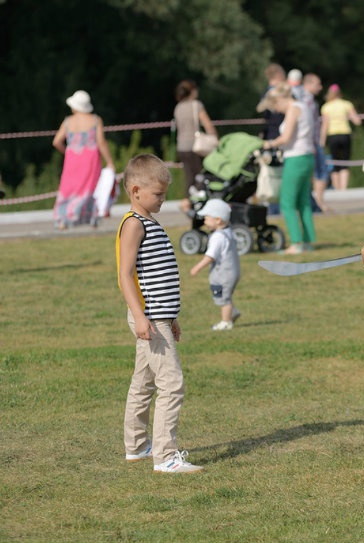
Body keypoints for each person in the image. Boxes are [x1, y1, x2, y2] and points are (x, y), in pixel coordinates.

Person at [116, 154, 203, 473]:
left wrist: (172, 317)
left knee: (144, 382)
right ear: (135, 190)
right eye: (158, 195)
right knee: (172, 383)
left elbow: (158, 277)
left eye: (165, 194)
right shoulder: (134, 225)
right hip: (149, 321)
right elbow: (126, 274)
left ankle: (137, 447)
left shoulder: (151, 222)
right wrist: (141, 317)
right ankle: (165, 457)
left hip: (158, 318)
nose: (163, 200)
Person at [261, 83, 316, 254]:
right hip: (307, 156)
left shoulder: (293, 109)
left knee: (287, 202)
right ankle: (307, 241)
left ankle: (296, 242)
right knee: (303, 202)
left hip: (295, 158)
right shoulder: (304, 106)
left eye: (275, 105)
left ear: (280, 99)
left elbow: (286, 137)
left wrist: (268, 143)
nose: (276, 110)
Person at [52, 90, 114, 230]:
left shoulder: (68, 121)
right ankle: (91, 217)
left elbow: (56, 142)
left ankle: (63, 218)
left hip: (72, 157)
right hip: (90, 158)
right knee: (90, 187)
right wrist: (109, 161)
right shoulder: (95, 120)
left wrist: (67, 151)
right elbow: (101, 142)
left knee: (68, 187)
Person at [189, 199, 241, 331]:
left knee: (224, 298)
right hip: (232, 272)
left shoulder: (217, 237)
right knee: (224, 295)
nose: (204, 220)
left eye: (207, 217)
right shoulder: (228, 231)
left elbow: (210, 257)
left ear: (218, 220)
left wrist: (197, 268)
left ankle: (226, 322)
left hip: (224, 273)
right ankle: (232, 312)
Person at [173, 80, 217, 211]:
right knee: (200, 175)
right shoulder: (196, 105)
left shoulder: (178, 107)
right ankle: (197, 201)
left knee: (189, 176)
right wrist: (215, 138)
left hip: (181, 146)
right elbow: (207, 125)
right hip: (195, 146)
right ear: (192, 91)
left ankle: (187, 201)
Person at [320, 83, 362, 192]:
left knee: (335, 163)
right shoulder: (347, 104)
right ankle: (343, 190)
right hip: (344, 135)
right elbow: (357, 121)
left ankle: (337, 190)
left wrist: (322, 141)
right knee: (345, 163)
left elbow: (324, 126)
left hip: (332, 136)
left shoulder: (326, 107)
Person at [299, 73, 331, 213]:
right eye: (317, 84)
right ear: (308, 84)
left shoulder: (307, 99)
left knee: (318, 172)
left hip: (311, 141)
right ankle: (318, 202)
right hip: (311, 142)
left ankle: (318, 201)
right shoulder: (306, 101)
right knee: (320, 172)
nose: (320, 87)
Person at [255, 63, 287, 206]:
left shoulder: (264, 94)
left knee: (272, 173)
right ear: (279, 76)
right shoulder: (279, 93)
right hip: (281, 136)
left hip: (270, 136)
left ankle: (274, 204)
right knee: (279, 173)